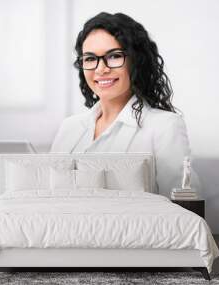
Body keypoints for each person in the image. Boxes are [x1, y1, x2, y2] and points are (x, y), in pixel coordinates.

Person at [50, 12, 200, 197]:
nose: (101, 69)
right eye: (90, 58)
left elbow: (184, 212)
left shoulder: (164, 127)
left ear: (135, 61)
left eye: (114, 56)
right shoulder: (69, 127)